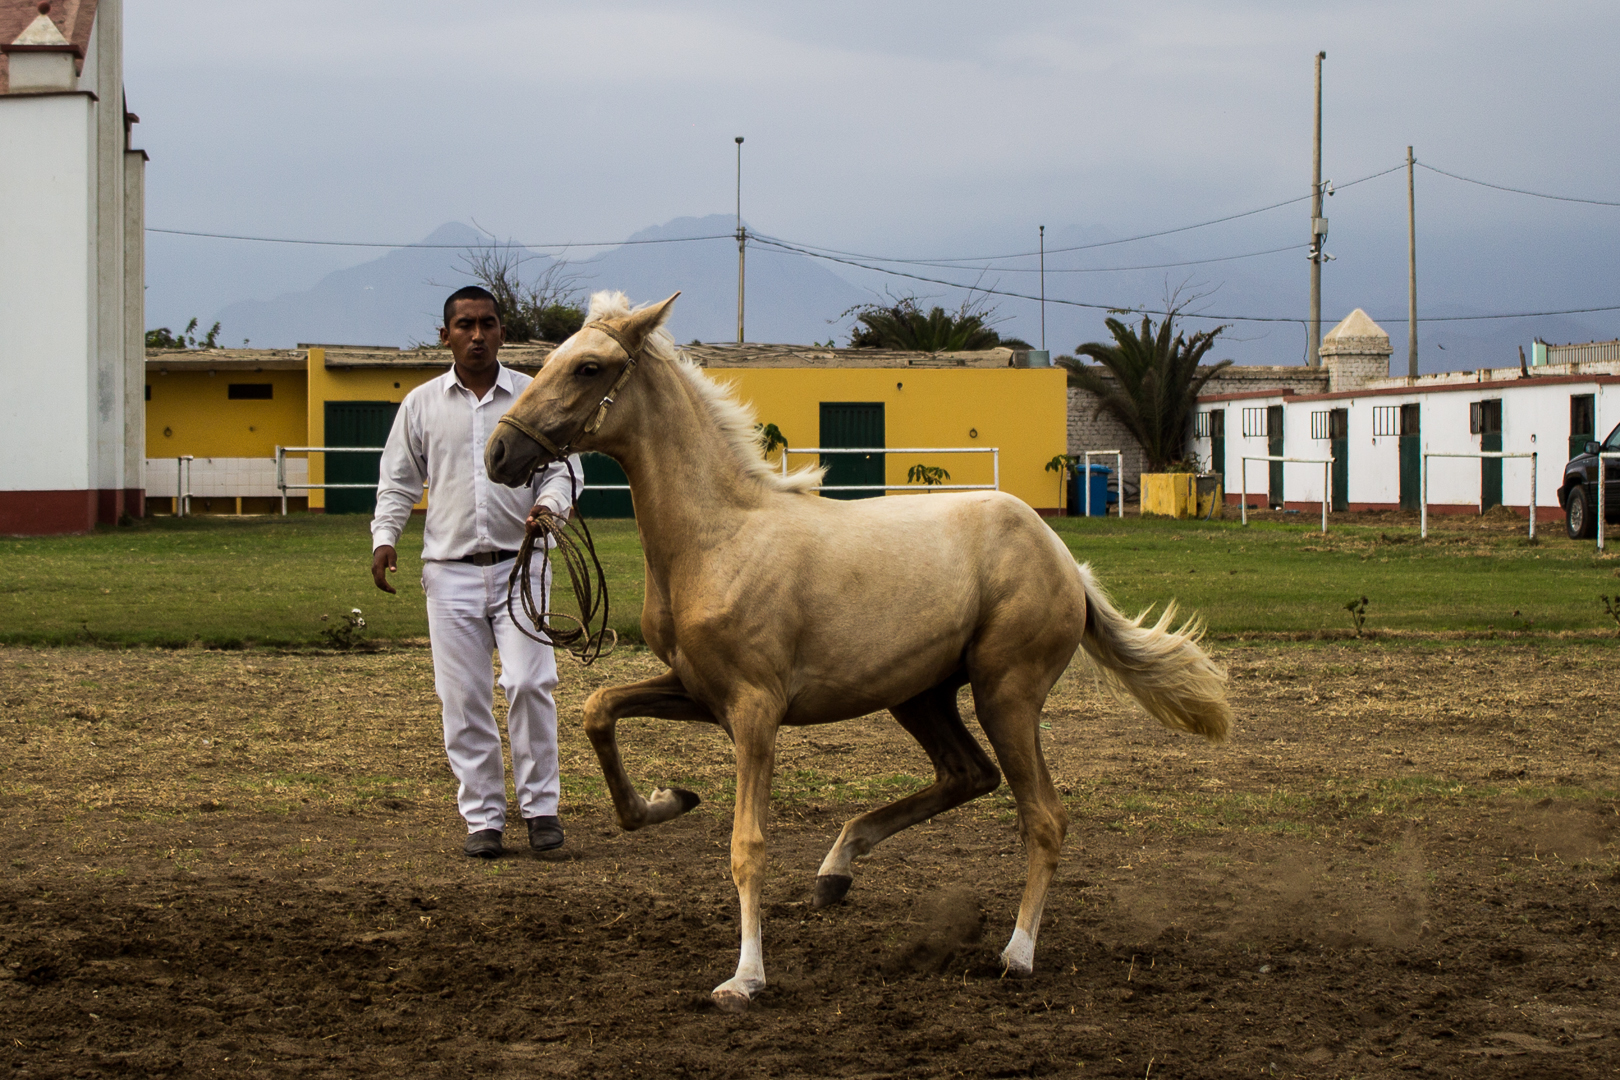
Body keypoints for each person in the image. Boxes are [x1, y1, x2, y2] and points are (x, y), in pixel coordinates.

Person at [370, 285, 582, 859]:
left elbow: (564, 471)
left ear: (501, 332)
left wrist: (550, 507)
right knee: (462, 698)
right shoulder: (421, 405)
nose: (477, 335)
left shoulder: (533, 395)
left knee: (530, 683)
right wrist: (385, 538)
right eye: (465, 325)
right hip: (449, 572)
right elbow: (398, 481)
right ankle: (484, 818)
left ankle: (541, 811)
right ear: (446, 335)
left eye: (487, 324)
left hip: (522, 565)